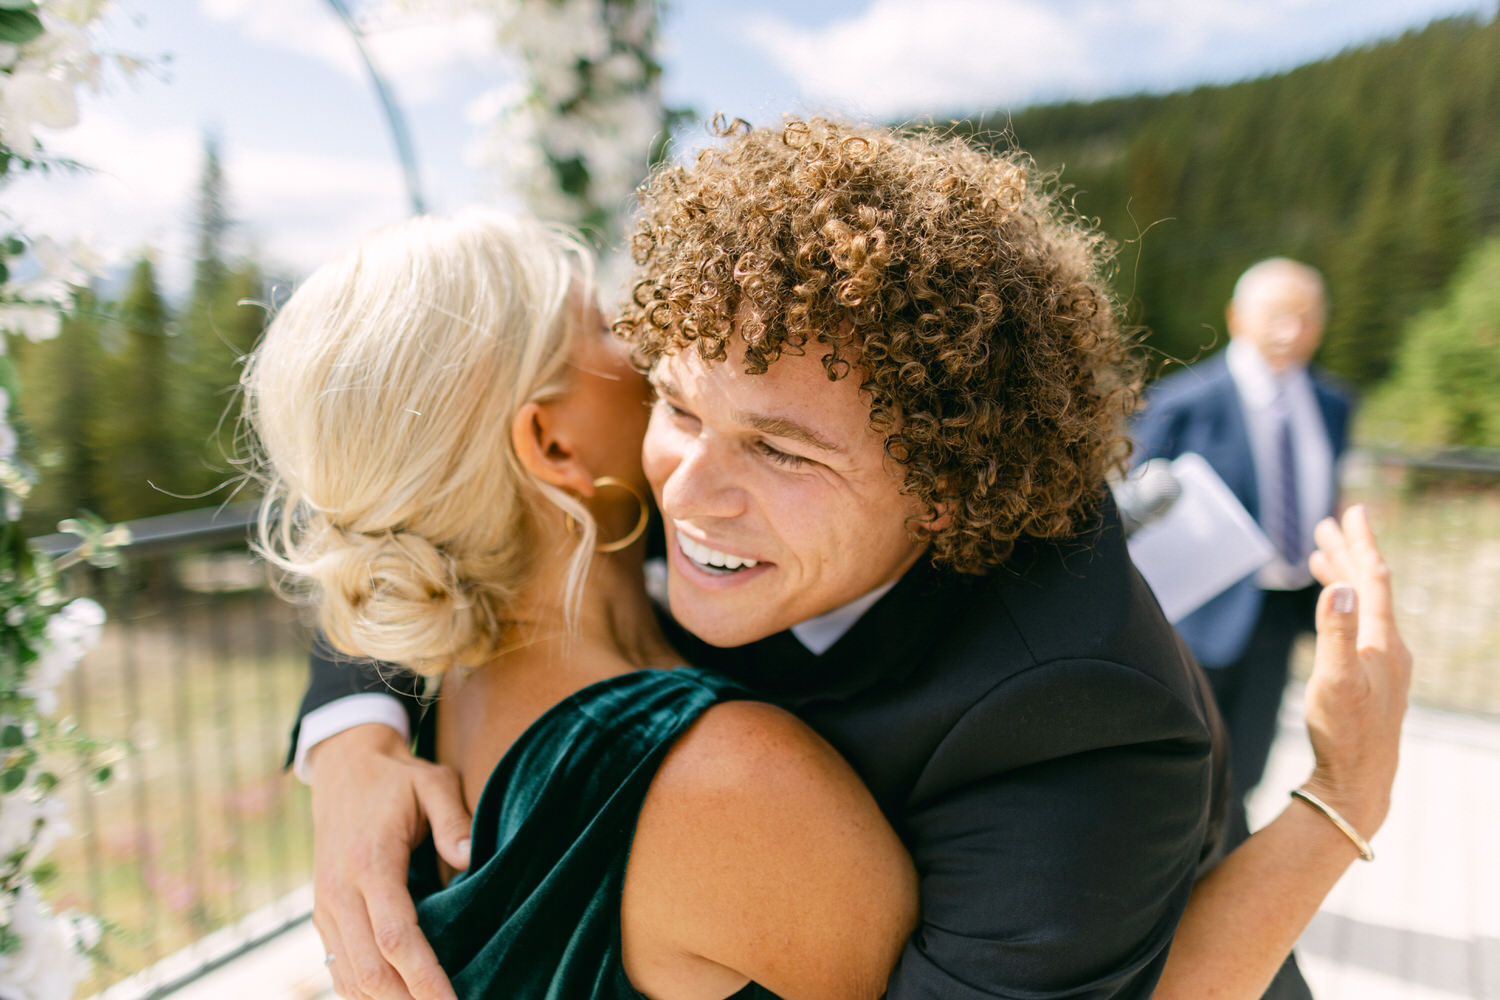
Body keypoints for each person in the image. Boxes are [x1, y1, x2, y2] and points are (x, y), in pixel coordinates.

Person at [289, 120, 1407, 1000]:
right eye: (671, 395)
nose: (689, 488)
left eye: (778, 449)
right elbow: (413, 502)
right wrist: (349, 742)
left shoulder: (1069, 705)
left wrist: (1341, 801)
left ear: (944, 477)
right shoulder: (607, 517)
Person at [244, 209, 921, 1000]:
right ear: (554, 447)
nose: (651, 340)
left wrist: (346, 746)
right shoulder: (732, 782)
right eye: (603, 324)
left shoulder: (428, 699)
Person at [1133, 258, 1353, 800]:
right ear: (1236, 317)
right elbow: (1133, 509)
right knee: (1183, 765)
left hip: (1282, 611)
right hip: (1197, 613)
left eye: (1307, 318)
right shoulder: (1183, 402)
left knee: (1249, 768)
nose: (1292, 332)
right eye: (1277, 315)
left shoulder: (1332, 404)